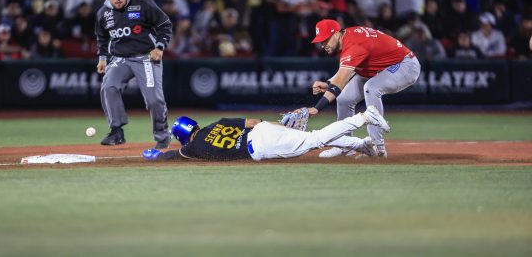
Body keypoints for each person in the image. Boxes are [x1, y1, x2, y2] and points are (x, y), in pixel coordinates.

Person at [306, 19, 421, 158]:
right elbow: (346, 72)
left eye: (325, 40)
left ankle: (377, 148)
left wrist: (317, 108)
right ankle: (345, 146)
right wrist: (329, 82)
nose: (322, 45)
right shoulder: (348, 37)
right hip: (378, 68)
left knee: (371, 88)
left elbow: (341, 81)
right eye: (320, 41)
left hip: (405, 65)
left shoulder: (353, 43)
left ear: (336, 34)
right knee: (344, 99)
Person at [142, 106, 389, 162]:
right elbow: (254, 121)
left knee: (315, 140)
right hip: (263, 130)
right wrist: (283, 128)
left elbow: (174, 155)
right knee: (313, 137)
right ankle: (362, 145)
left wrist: (157, 154)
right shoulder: (217, 122)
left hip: (259, 148)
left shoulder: (192, 149)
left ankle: (363, 117)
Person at [95, 0, 173, 148]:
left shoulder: (143, 4)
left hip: (146, 56)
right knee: (108, 87)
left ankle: (162, 136)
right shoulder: (103, 13)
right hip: (120, 59)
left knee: (154, 100)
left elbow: (165, 25)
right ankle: (116, 131)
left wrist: (159, 47)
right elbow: (102, 37)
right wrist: (102, 58)